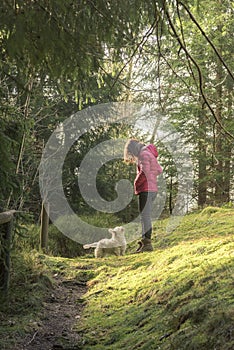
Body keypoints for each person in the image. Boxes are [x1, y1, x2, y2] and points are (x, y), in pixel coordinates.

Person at [124, 139, 163, 253]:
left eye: (132, 152)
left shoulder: (143, 154)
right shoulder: (149, 154)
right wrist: (151, 177)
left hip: (146, 189)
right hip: (152, 189)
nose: (134, 155)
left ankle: (147, 244)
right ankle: (144, 242)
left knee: (145, 217)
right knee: (144, 216)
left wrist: (136, 182)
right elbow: (159, 170)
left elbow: (144, 171)